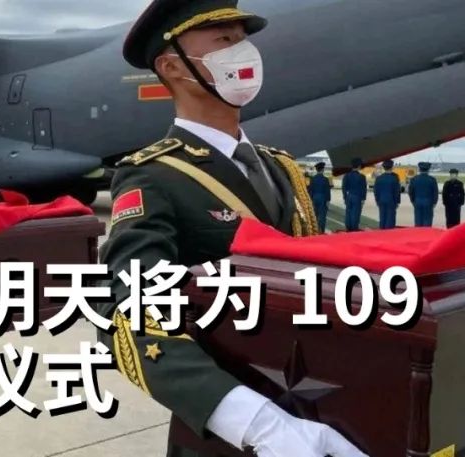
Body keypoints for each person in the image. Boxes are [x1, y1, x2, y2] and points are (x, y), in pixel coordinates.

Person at [106, 1, 365, 456]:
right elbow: (129, 310)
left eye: (243, 39)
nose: (242, 51)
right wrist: (259, 424)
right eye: (223, 40)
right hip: (227, 433)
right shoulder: (153, 175)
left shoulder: (280, 167)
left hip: (318, 405)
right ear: (173, 67)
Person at [341, 157, 367, 231]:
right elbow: (364, 189)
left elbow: (344, 187)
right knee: (356, 213)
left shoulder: (346, 175)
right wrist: (363, 199)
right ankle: (354, 228)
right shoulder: (362, 177)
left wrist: (345, 197)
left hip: (349, 196)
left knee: (348, 212)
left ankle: (348, 227)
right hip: (357, 197)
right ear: (359, 166)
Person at [373, 160, 401, 229]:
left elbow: (376, 191)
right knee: (390, 218)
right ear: (392, 167)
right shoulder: (395, 178)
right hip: (391, 200)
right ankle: (388, 232)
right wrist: (397, 201)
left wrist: (377, 200)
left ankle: (382, 231)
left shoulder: (379, 178)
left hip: (381, 200)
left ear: (383, 167)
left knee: (382, 216)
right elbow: (397, 191)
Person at [408, 161, 438, 227]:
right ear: (428, 169)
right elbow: (435, 192)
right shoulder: (432, 180)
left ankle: (418, 232)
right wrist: (434, 202)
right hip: (428, 202)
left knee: (418, 220)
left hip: (417, 201)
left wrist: (413, 201)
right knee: (427, 221)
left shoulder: (414, 179)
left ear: (419, 169)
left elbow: (410, 192)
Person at [306, 161, 331, 233]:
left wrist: (310, 199)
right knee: (322, 215)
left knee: (315, 215)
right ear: (323, 169)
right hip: (322, 198)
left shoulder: (313, 179)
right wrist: (328, 200)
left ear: (317, 170)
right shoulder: (325, 179)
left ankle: (314, 230)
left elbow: (310, 190)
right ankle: (321, 230)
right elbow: (327, 191)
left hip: (314, 198)